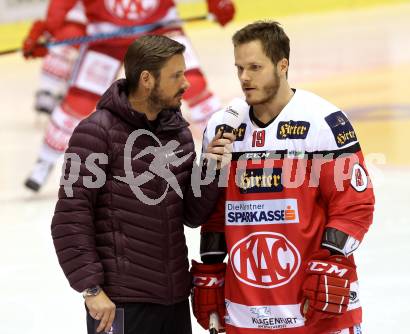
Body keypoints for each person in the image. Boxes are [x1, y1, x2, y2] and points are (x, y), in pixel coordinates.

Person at [190, 21, 375, 333]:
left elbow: (353, 205)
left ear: (282, 65)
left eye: (255, 67)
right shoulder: (223, 126)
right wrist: (211, 267)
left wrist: (332, 261)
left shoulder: (323, 122)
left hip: (316, 305)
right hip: (245, 310)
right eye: (239, 68)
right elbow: (216, 213)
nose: (245, 77)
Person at [50, 35, 234, 334]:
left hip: (172, 301)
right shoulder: (95, 132)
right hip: (119, 303)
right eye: (176, 75)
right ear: (147, 79)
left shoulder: (178, 134)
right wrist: (91, 290)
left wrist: (211, 168)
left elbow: (191, 214)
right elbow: (70, 216)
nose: (186, 83)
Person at [23, 0, 235, 192]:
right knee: (78, 101)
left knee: (193, 85)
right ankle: (45, 160)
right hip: (106, 37)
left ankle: (226, 154)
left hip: (160, 29)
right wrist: (49, 30)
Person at [22, 1, 87, 115]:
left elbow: (53, 21)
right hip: (88, 41)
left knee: (58, 60)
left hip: (65, 37)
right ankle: (66, 97)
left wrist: (37, 38)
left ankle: (48, 93)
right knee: (79, 69)